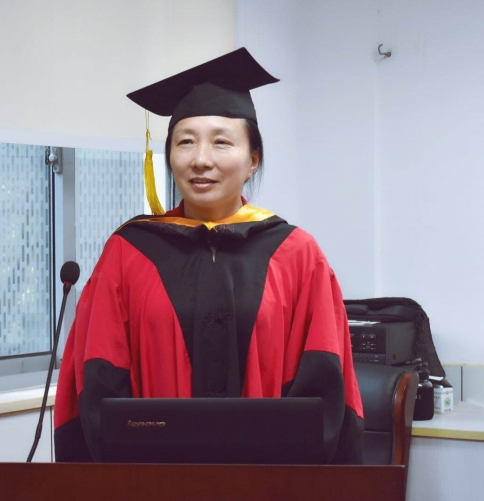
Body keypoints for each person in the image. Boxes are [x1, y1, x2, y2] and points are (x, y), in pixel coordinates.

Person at [54, 48, 364, 464]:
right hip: (152, 480)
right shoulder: (128, 253)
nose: (201, 160)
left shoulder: (297, 255)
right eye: (185, 142)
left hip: (270, 481)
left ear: (253, 160)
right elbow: (97, 381)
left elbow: (324, 385)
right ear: (169, 156)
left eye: (221, 142)